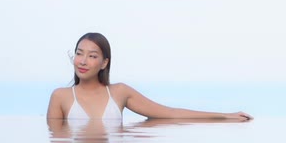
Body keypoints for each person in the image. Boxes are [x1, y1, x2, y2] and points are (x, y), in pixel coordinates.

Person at [46, 32, 253, 121]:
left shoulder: (119, 92)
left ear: (104, 63)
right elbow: (53, 139)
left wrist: (225, 116)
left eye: (92, 56)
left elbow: (169, 113)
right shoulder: (61, 97)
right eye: (79, 53)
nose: (82, 61)